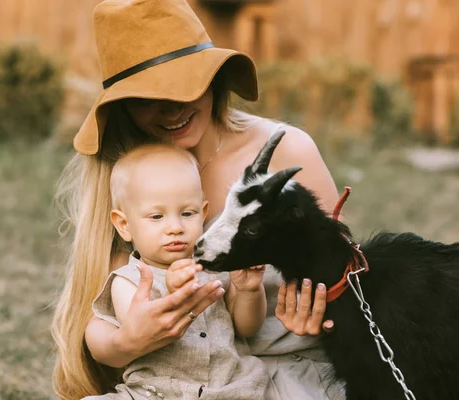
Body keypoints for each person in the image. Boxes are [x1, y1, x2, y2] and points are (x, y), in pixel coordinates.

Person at [51, 0, 344, 399]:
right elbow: (102, 309)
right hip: (175, 381)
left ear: (214, 80)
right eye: (147, 97)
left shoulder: (286, 152)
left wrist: (323, 310)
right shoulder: (131, 176)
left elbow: (345, 276)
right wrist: (129, 341)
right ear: (123, 109)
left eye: (186, 85)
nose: (173, 109)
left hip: (291, 371)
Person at [84, 144, 268, 399]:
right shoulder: (128, 280)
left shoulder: (216, 269)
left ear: (202, 214)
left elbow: (247, 328)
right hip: (154, 392)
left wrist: (249, 291)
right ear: (124, 225)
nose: (175, 227)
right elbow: (142, 329)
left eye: (187, 213)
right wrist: (173, 291)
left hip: (229, 388)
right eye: (157, 216)